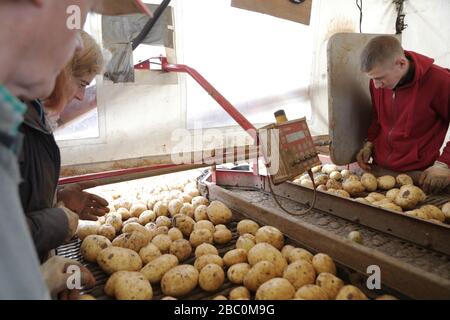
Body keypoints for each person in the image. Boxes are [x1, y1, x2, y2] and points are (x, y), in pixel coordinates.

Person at [0, 0, 151, 299]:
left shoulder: (18, 114)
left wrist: (45, 274)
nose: (76, 45)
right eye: (71, 28)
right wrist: (60, 219)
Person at [20, 30, 108, 261]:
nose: (81, 96)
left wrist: (58, 199)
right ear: (61, 72)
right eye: (81, 84)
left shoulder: (33, 115)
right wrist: (61, 220)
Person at [356, 35, 450, 194]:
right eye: (373, 79)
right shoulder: (378, 82)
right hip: (380, 171)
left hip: (420, 175)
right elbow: (378, 117)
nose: (377, 86)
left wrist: (445, 163)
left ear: (401, 63)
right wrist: (370, 142)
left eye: (380, 78)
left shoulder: (440, 81)